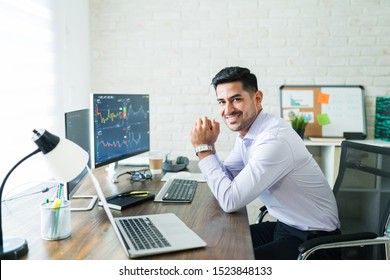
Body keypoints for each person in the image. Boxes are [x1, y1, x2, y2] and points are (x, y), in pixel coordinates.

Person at [190, 66, 340, 260]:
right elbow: (228, 179)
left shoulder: (273, 140)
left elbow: (230, 201)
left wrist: (204, 150)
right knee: (214, 243)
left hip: (314, 243)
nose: (228, 110)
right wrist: (209, 147)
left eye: (236, 99)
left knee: (230, 263)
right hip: (286, 227)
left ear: (257, 98)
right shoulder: (249, 134)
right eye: (222, 102)